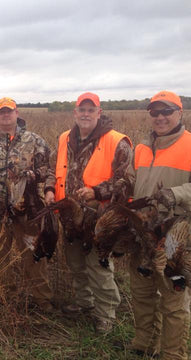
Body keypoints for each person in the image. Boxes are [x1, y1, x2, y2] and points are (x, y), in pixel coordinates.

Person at [129, 91, 191, 359]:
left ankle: (172, 354)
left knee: (174, 301)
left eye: (167, 111)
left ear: (180, 113)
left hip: (178, 240)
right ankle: (145, 343)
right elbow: (131, 180)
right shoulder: (142, 148)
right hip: (145, 234)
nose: (160, 117)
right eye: (155, 112)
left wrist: (177, 194)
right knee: (142, 292)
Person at [45, 92, 133, 332]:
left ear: (99, 112)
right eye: (81, 110)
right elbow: (53, 168)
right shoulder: (65, 138)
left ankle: (106, 313)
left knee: (98, 265)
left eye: (90, 110)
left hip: (99, 218)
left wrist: (97, 191)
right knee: (75, 262)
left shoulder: (117, 141)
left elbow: (127, 180)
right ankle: (84, 302)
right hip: (70, 216)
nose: (85, 114)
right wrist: (50, 189)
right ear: (75, 113)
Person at [0, 97, 55, 312]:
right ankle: (1, 298)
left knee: (33, 255)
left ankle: (42, 300)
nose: (6, 115)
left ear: (17, 113)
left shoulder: (36, 142)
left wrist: (35, 178)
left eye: (10, 111)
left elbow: (49, 170)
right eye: (2, 112)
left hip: (27, 213)